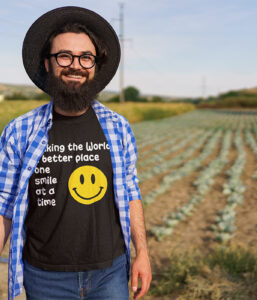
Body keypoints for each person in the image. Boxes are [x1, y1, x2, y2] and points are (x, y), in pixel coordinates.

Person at [0, 6, 151, 300]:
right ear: (47, 63)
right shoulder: (20, 131)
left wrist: (142, 253)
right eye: (64, 56)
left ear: (95, 66)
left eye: (86, 57)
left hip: (110, 273)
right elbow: (3, 203)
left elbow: (131, 192)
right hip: (45, 278)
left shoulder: (118, 127)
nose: (75, 65)